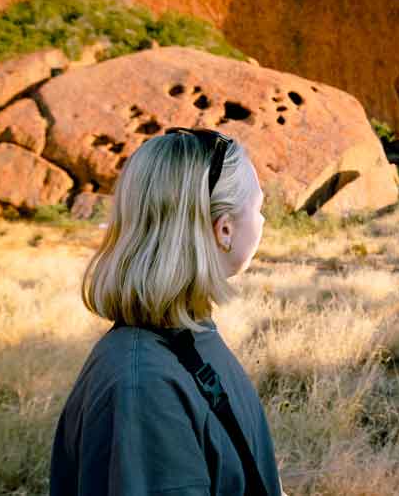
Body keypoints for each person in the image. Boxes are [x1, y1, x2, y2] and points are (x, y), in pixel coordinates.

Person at [50, 128, 283, 496]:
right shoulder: (144, 387)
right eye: (258, 208)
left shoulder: (188, 336)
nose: (263, 220)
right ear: (224, 229)